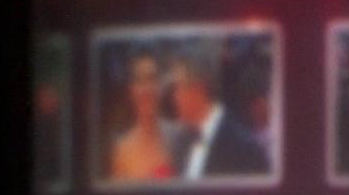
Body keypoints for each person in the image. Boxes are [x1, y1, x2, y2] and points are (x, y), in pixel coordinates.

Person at [167, 47, 271, 180]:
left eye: (178, 87)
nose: (174, 96)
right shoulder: (181, 142)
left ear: (199, 87)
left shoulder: (246, 149)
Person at [106, 50, 181, 181]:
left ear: (161, 86)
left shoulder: (179, 137)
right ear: (131, 90)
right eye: (140, 81)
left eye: (152, 79)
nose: (147, 88)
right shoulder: (122, 151)